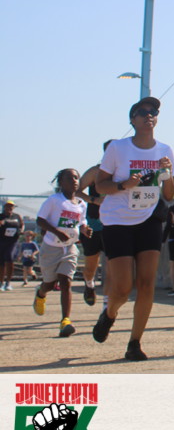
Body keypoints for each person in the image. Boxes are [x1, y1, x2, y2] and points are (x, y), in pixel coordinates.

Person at [93, 96, 174, 361]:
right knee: (122, 288)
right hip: (117, 220)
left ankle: (134, 342)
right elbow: (100, 185)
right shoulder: (118, 148)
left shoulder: (164, 149)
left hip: (149, 219)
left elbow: (169, 194)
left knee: (146, 283)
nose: (149, 115)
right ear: (133, 120)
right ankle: (109, 314)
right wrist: (124, 185)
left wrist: (167, 173)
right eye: (142, 111)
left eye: (153, 111)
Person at [33, 169, 91, 337]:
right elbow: (40, 220)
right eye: (69, 178)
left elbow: (81, 222)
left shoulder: (81, 203)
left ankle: (65, 321)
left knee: (65, 282)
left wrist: (85, 229)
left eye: (76, 177)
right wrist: (57, 232)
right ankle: (41, 293)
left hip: (70, 247)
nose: (74, 181)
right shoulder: (54, 200)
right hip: (51, 247)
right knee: (50, 284)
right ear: (61, 182)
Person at [76, 141, 113, 308]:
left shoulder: (123, 171)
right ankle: (89, 285)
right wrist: (93, 200)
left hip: (114, 223)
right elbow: (76, 190)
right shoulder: (95, 171)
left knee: (112, 267)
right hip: (94, 222)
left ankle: (107, 305)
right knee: (91, 265)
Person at [0, 200, 24, 291]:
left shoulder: (17, 216)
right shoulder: (1, 216)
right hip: (2, 241)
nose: (9, 208)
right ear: (4, 207)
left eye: (11, 206)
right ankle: (1, 282)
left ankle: (8, 282)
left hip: (12, 241)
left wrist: (21, 230)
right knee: (1, 263)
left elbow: (22, 225)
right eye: (8, 206)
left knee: (9, 258)